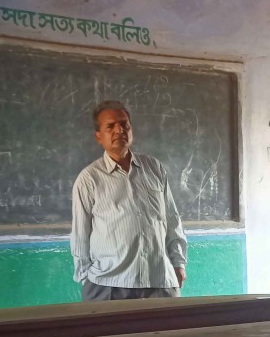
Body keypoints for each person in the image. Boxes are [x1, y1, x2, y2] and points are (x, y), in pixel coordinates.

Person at [70, 100, 187, 301]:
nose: (119, 130)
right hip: (109, 285)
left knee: (170, 333)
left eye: (124, 124)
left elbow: (171, 219)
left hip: (159, 281)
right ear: (99, 137)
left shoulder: (154, 168)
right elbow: (81, 235)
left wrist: (178, 263)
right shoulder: (89, 179)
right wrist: (87, 280)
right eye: (110, 126)